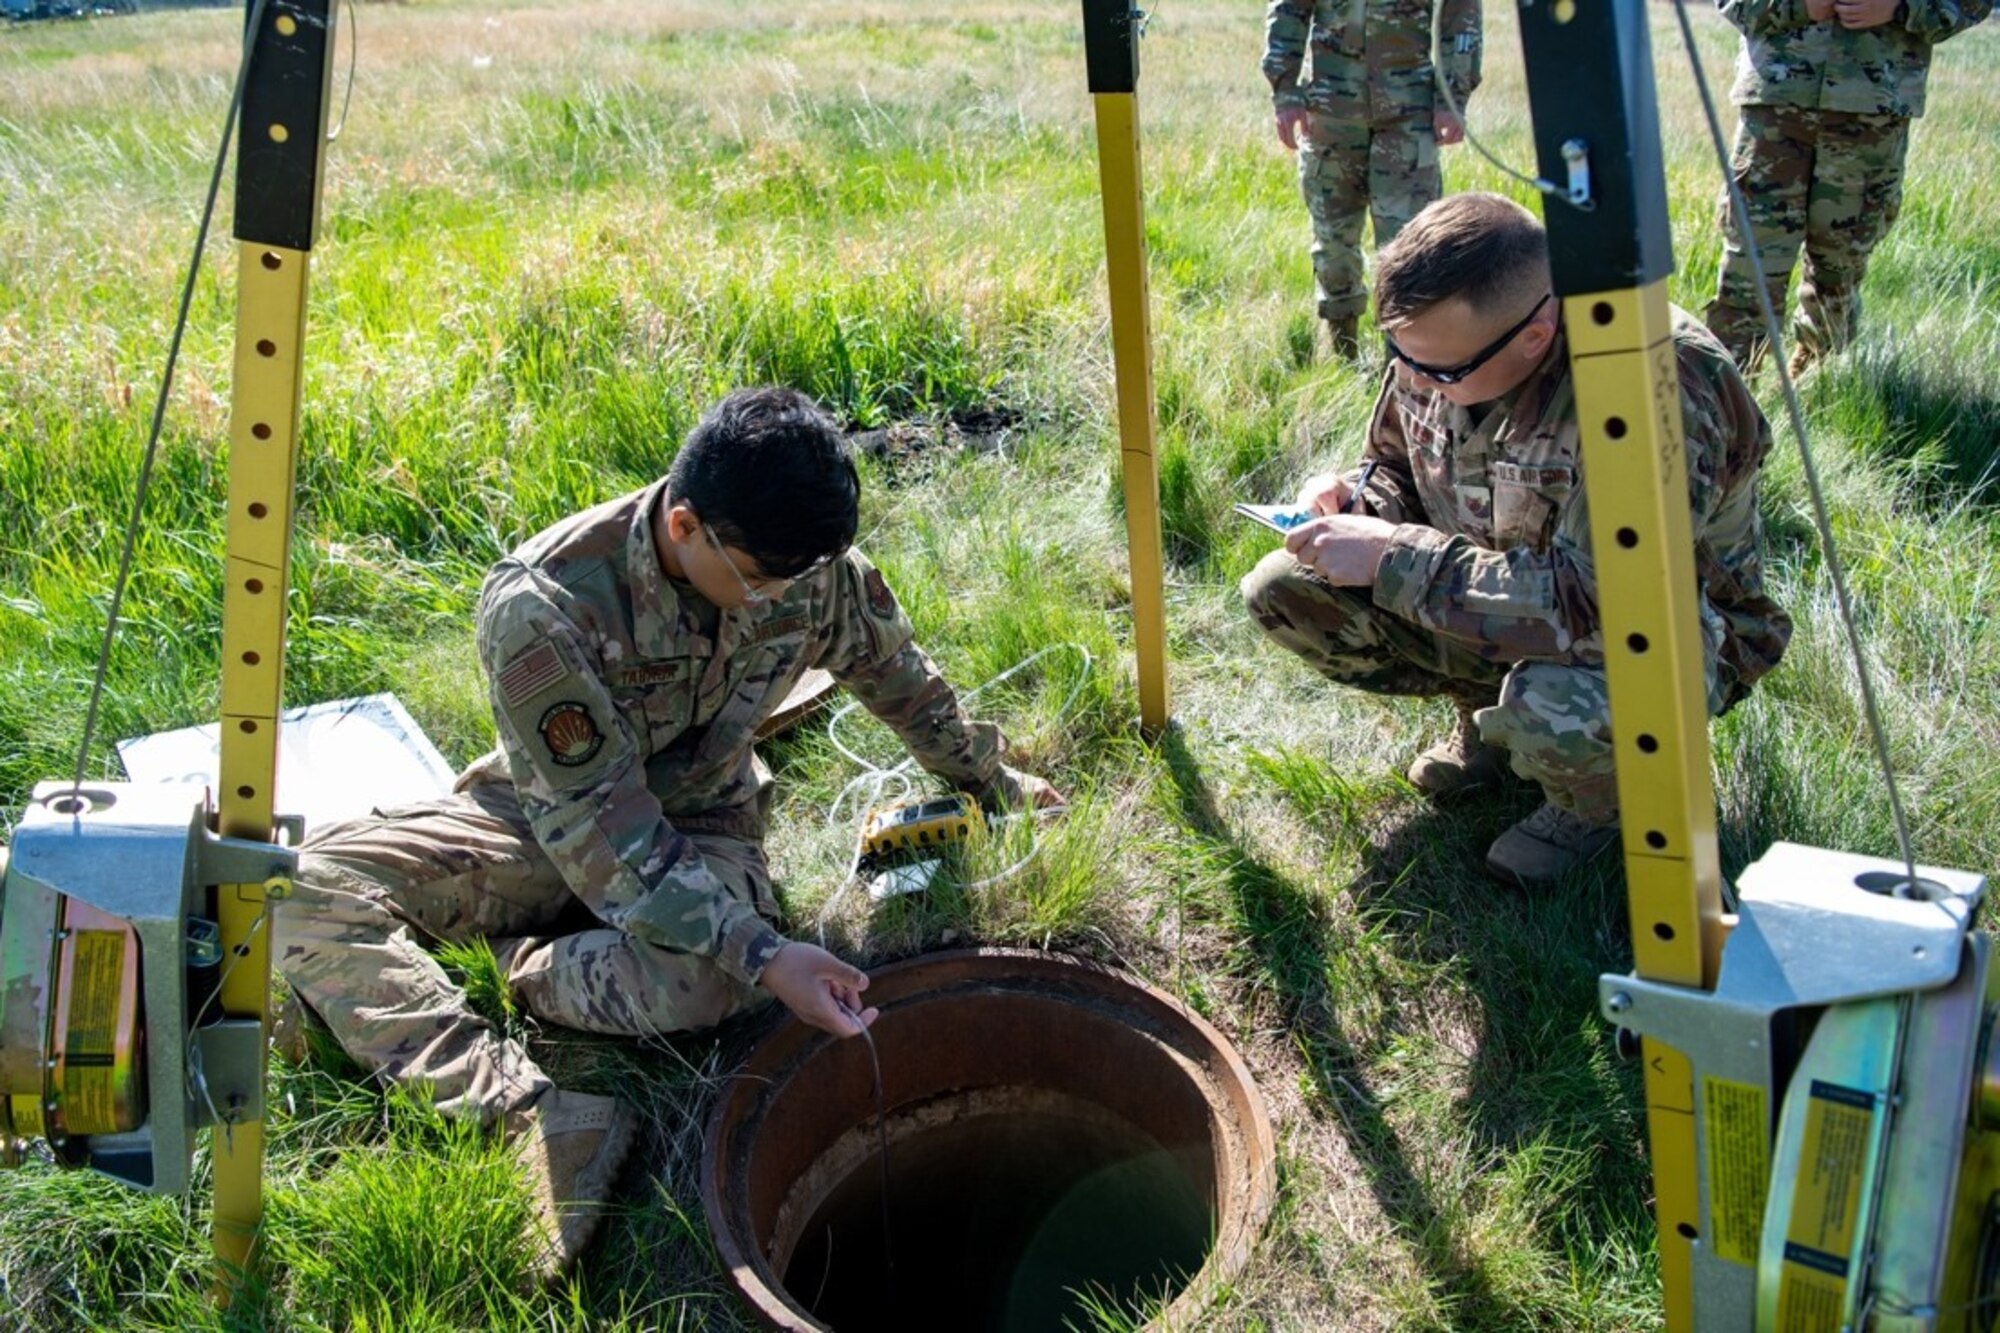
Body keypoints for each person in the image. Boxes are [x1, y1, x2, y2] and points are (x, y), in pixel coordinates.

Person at [274, 387, 1060, 1279]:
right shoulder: (546, 604)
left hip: (703, 813)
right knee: (299, 885)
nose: (783, 596)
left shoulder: (803, 565)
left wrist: (988, 779)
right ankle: (520, 1112)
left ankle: (513, 961)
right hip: (545, 818)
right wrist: (765, 949)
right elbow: (596, 825)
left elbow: (897, 672)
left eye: (797, 579)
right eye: (763, 580)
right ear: (685, 525)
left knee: (702, 981)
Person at [1242, 193, 1791, 886]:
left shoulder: (1651, 386)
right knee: (1287, 591)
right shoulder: (1445, 348)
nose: (1413, 380)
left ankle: (1603, 808)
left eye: (1438, 372)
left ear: (1535, 335)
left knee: (1550, 701)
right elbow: (1395, 464)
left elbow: (1601, 604)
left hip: (1673, 631)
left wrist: (1387, 555)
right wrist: (1358, 499)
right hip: (1505, 592)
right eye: (1398, 354)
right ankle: (1485, 717)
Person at [1705, 0, 1993, 376]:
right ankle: (1727, 406)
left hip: (1870, 116)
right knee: (1749, 265)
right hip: (1776, 107)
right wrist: (1799, 6)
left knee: (1838, 270)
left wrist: (1900, 7)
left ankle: (1817, 389)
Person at [1263, 0, 1483, 359]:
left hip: (1407, 117)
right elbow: (1289, 8)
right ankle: (1343, 354)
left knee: (1410, 248)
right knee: (1333, 246)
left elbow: (1460, 14)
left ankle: (1404, 367)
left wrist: (1452, 97)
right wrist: (1285, 92)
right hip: (1332, 116)